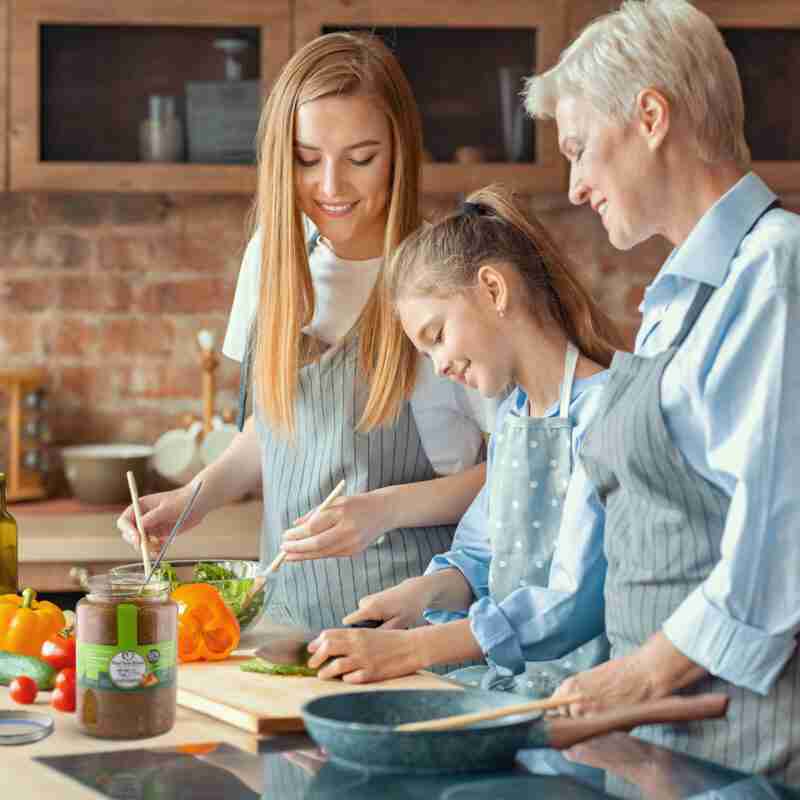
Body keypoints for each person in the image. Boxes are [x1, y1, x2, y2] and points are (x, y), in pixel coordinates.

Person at [117, 32, 488, 635]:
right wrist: (193, 499)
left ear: (400, 150)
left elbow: (513, 468)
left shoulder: (444, 277)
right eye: (308, 158)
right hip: (282, 626)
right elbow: (273, 431)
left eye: (361, 158)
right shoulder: (271, 261)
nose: (332, 186)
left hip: (411, 631)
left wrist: (385, 509)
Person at [523, 0, 800, 783]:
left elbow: (780, 540)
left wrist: (639, 677)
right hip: (663, 743)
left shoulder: (775, 273)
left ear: (650, 116)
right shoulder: (676, 298)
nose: (575, 186)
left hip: (748, 743)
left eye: (580, 149)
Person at [303, 184, 624, 692]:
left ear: (493, 289)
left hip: (588, 705)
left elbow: (572, 601)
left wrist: (413, 649)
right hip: (520, 695)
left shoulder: (608, 411)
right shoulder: (517, 419)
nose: (441, 366)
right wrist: (420, 594)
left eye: (436, 336)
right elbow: (480, 557)